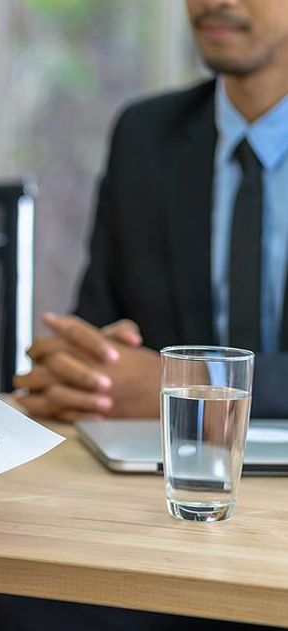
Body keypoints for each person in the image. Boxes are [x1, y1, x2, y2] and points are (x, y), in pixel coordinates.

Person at [0, 1, 286, 631]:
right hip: (162, 515)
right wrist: (83, 369)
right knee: (14, 626)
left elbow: (148, 378)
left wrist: (179, 382)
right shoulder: (147, 134)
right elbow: (101, 333)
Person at [15, 0, 288, 423]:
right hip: (165, 467)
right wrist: (86, 367)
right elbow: (101, 321)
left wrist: (193, 385)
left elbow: (160, 383)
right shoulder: (146, 136)